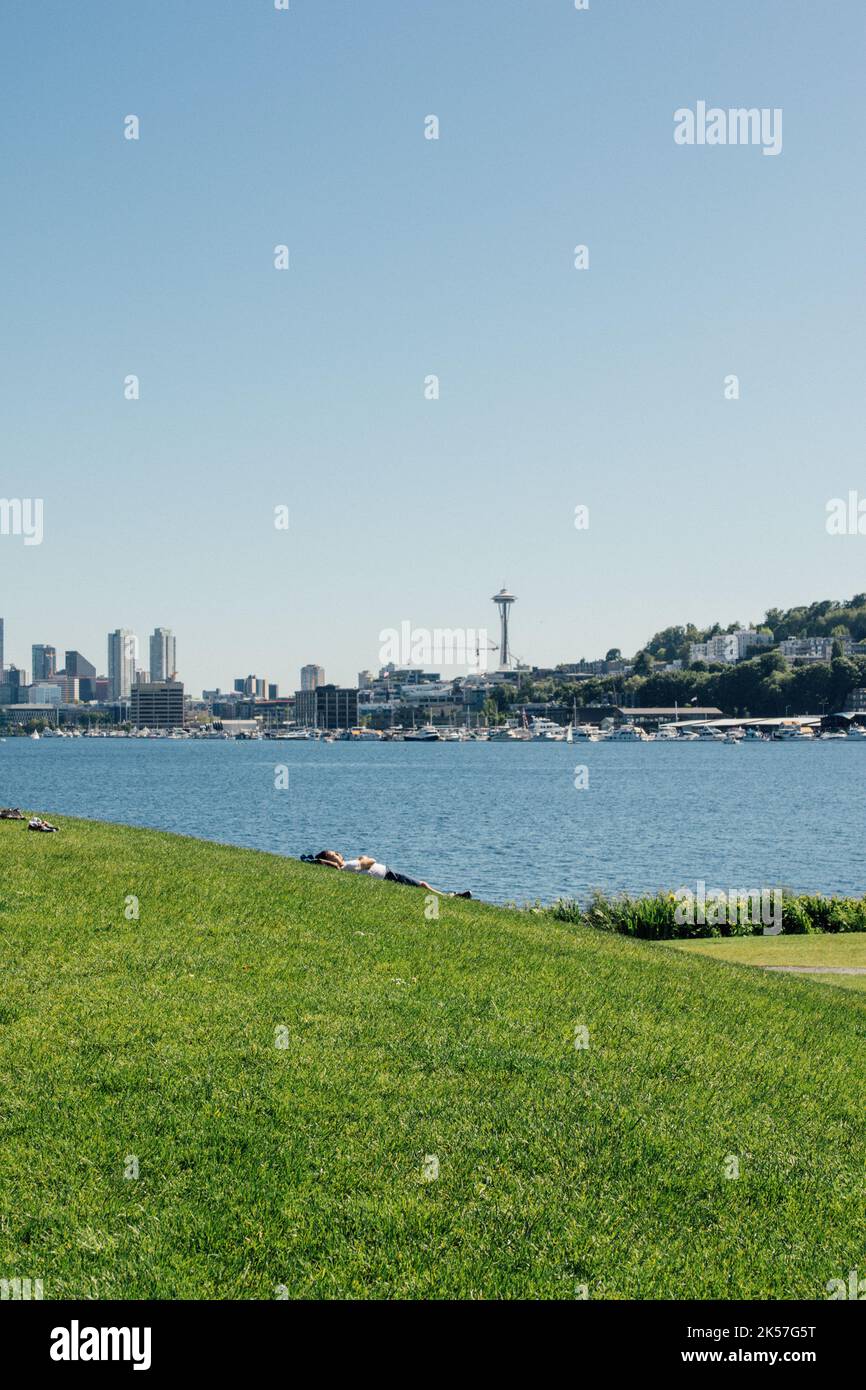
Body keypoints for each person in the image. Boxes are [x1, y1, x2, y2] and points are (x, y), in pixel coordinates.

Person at [313, 850, 470, 897]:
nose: (337, 853)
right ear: (328, 858)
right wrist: (364, 859)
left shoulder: (346, 866)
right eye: (333, 853)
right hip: (387, 876)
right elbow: (371, 860)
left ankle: (449, 896)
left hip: (386, 874)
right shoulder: (347, 867)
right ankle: (448, 896)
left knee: (419, 887)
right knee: (422, 885)